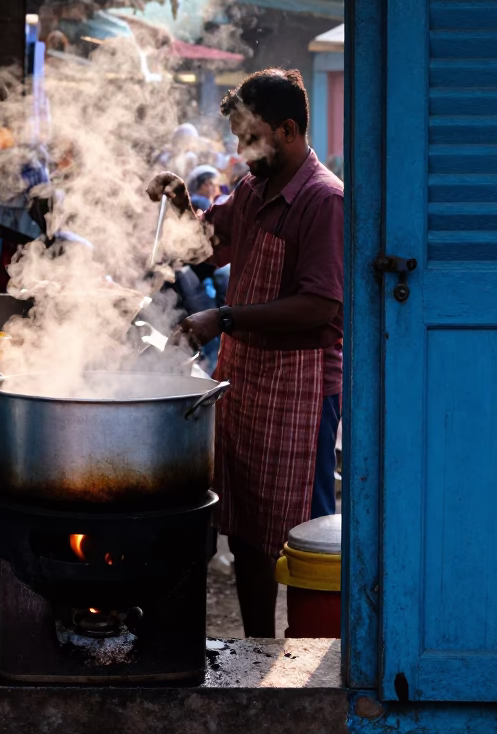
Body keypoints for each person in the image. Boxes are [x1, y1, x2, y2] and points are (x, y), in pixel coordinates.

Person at [146, 68, 343, 636]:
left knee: (301, 534)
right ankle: (258, 646)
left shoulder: (322, 200)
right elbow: (202, 247)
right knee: (250, 527)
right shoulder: (255, 191)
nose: (240, 151)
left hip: (301, 384)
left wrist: (222, 318)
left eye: (249, 138)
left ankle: (313, 658)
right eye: (236, 138)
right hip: (247, 374)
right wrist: (179, 198)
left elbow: (319, 307)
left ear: (287, 130)